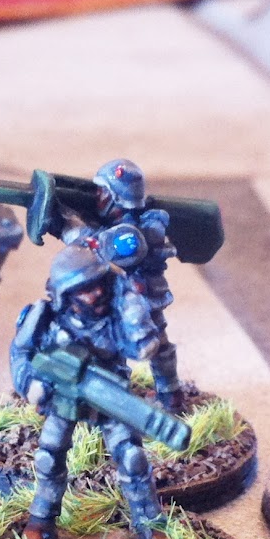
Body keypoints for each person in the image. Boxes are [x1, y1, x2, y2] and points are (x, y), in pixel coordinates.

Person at [10, 245, 172, 539]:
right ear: (66, 293)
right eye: (85, 289)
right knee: (48, 457)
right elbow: (20, 352)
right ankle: (41, 519)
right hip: (65, 399)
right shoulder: (46, 319)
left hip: (110, 398)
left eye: (99, 284)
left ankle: (150, 527)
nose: (96, 294)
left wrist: (136, 314)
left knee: (132, 458)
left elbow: (142, 349)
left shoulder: (117, 315)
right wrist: (31, 384)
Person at [60, 159, 184, 413]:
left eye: (102, 192)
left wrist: (67, 227)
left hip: (141, 297)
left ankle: (170, 396)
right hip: (116, 296)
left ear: (115, 196)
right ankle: (118, 402)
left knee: (154, 345)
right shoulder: (115, 224)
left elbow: (103, 246)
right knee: (112, 351)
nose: (98, 197)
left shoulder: (141, 229)